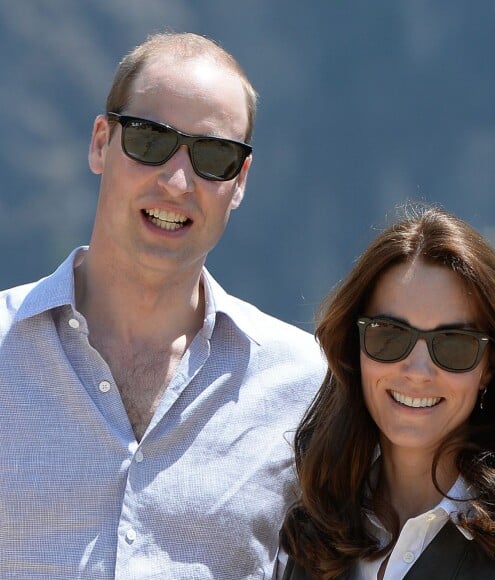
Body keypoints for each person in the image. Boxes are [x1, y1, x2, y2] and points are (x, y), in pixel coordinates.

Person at [0, 32, 325, 578]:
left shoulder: (305, 386)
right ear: (101, 142)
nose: (177, 181)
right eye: (150, 140)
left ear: (240, 181)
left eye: (214, 156)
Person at [277, 205, 495, 579]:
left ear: (489, 367)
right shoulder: (304, 533)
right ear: (355, 349)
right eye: (389, 336)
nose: (418, 372)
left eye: (454, 344)